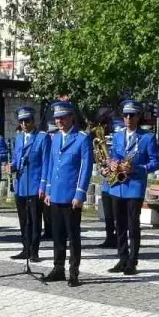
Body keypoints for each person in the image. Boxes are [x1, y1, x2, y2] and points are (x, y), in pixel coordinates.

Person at [41, 101, 93, 287]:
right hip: (55, 194)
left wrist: (80, 194)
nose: (59, 121)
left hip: (71, 196)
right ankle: (58, 268)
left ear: (72, 117)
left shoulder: (81, 138)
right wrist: (47, 190)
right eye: (56, 118)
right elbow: (50, 166)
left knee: (73, 235)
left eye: (62, 117)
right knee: (57, 235)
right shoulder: (55, 138)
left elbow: (85, 168)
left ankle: (73, 272)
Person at [108, 100, 159, 275]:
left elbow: (155, 163)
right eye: (125, 115)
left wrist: (137, 168)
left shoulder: (147, 137)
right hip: (117, 186)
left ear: (138, 117)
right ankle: (122, 258)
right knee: (119, 225)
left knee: (132, 224)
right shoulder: (116, 136)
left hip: (134, 186)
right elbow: (112, 156)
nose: (128, 118)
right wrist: (112, 163)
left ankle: (132, 260)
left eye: (131, 115)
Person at [10, 106, 50, 262]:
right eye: (21, 121)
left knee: (34, 220)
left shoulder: (42, 137)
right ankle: (25, 248)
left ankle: (34, 251)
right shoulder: (19, 137)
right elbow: (16, 157)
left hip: (34, 184)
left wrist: (43, 186)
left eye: (27, 120)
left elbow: (46, 163)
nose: (24, 124)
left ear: (33, 121)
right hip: (21, 184)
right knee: (23, 219)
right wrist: (12, 166)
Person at [96, 119, 122, 249]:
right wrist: (103, 170)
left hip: (118, 184)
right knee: (108, 215)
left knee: (118, 214)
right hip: (107, 183)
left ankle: (119, 238)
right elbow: (101, 161)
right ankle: (109, 237)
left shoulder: (122, 146)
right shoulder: (107, 145)